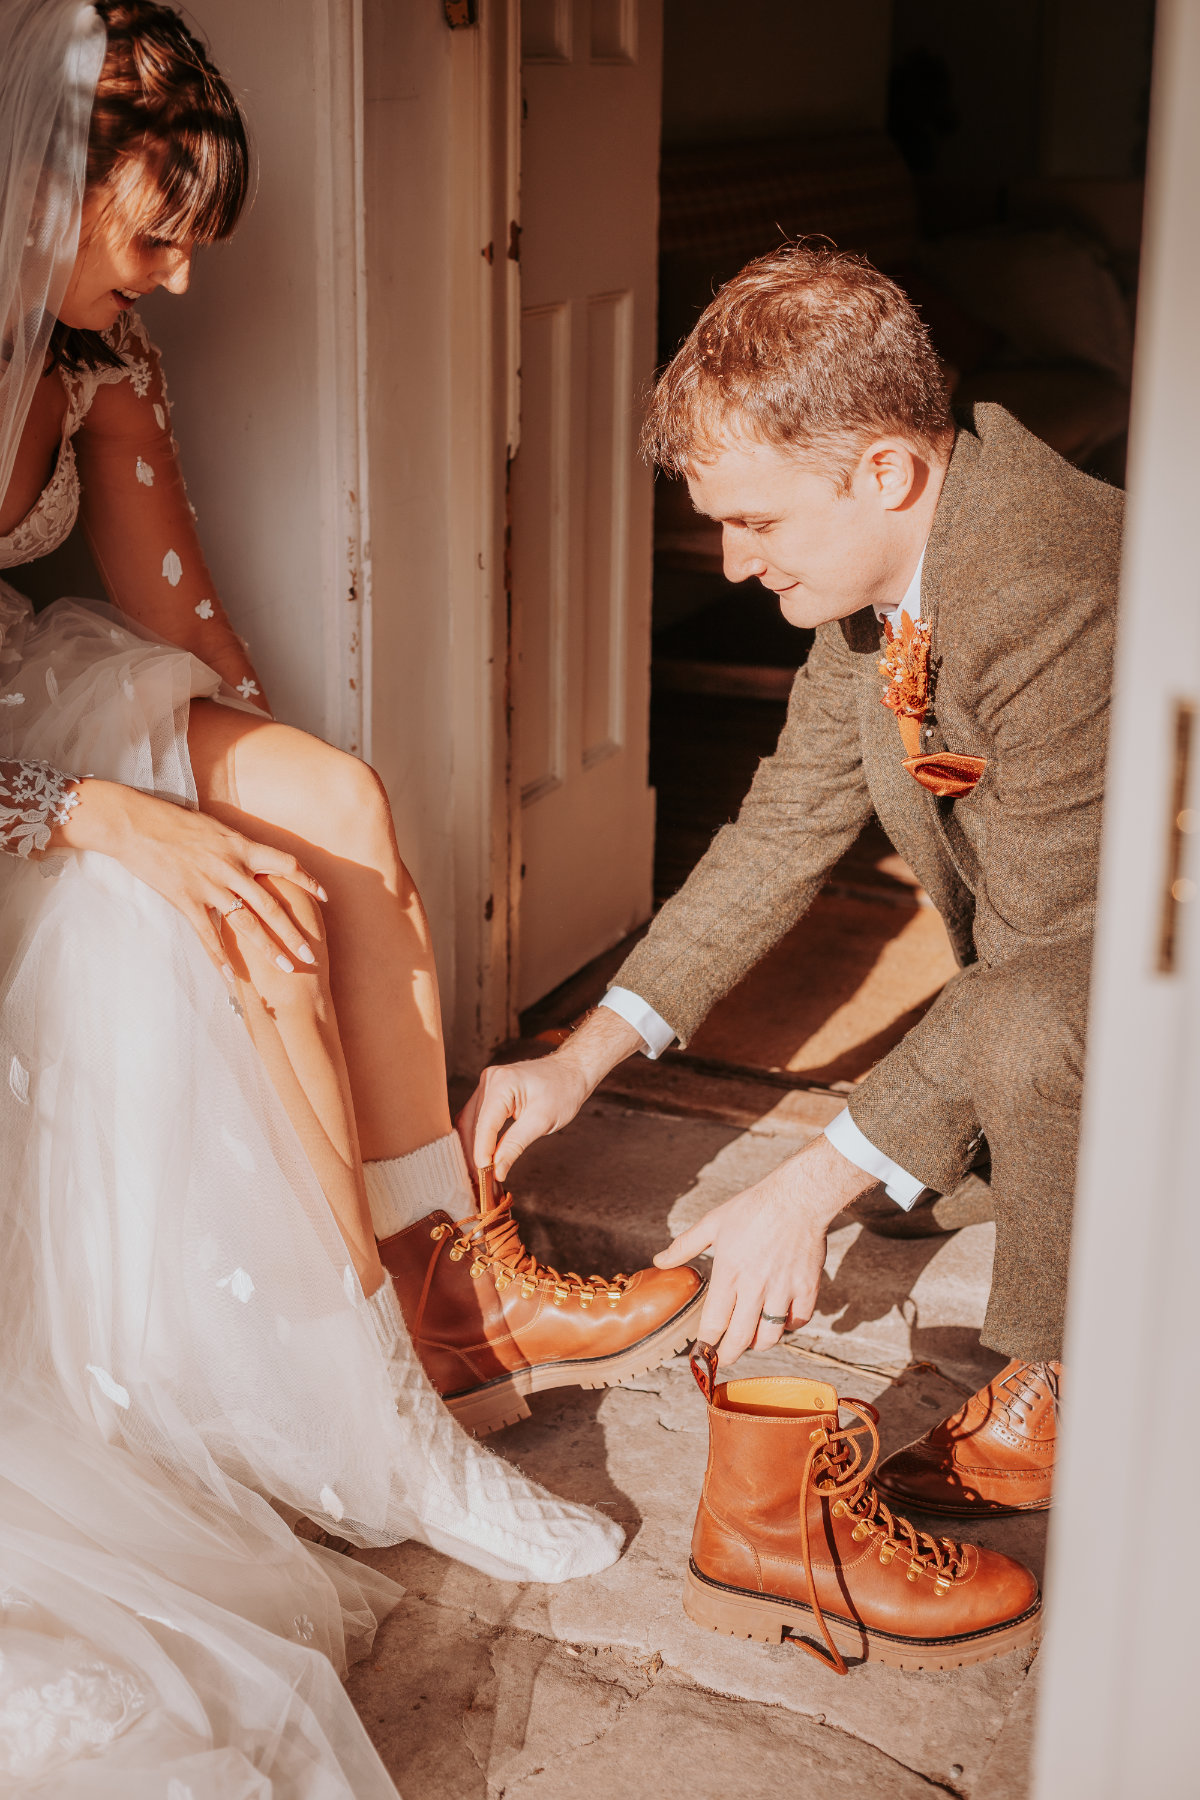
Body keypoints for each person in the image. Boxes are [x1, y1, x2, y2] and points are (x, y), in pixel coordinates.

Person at [0, 2, 699, 1790]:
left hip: (28, 694)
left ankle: (446, 1277)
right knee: (177, 920)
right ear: (40, 182)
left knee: (326, 804)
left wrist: (276, 796)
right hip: (13, 781)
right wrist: (105, 818)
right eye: (148, 234)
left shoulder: (94, 361)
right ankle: (400, 1412)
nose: (168, 278)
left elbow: (186, 630)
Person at [463, 243, 1116, 1661]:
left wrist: (812, 1180)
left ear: (883, 471)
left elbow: (1074, 971)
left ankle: (1075, 1375)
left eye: (754, 519)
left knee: (957, 1104)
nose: (729, 560)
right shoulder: (890, 566)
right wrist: (584, 1057)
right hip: (1048, 984)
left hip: (1131, 987)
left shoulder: (1061, 586)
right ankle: (763, 1524)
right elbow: (780, 834)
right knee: (919, 1150)